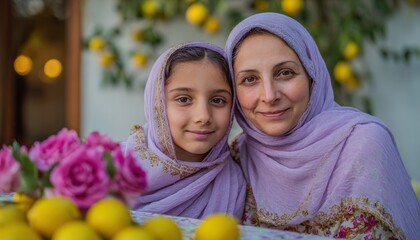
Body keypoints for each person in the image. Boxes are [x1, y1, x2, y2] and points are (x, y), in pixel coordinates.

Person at [225, 12, 420, 239]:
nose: (269, 95)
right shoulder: (237, 155)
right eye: (249, 79)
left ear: (312, 75)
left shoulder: (364, 144)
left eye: (285, 73)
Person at [123, 42, 246, 219]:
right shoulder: (109, 168)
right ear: (157, 103)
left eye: (218, 100)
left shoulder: (233, 184)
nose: (203, 116)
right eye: (184, 99)